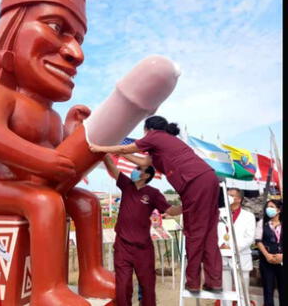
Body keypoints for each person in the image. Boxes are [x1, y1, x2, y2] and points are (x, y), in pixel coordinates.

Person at [90, 115, 223, 292]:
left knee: (195, 232)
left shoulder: (155, 136)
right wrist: (118, 153)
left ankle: (193, 282)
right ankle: (214, 281)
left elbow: (127, 147)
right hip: (208, 179)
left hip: (194, 182)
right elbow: (144, 161)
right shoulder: (164, 144)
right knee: (208, 231)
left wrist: (99, 148)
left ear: (148, 129)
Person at [103, 154, 181, 305]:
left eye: (138, 168)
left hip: (143, 248)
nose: (134, 170)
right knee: (123, 285)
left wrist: (187, 205)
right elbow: (113, 169)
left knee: (147, 286)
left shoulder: (153, 193)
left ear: (146, 175)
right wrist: (103, 152)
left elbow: (171, 210)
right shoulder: (126, 185)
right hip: (122, 246)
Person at [216, 188, 256, 306]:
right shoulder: (219, 212)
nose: (227, 197)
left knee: (242, 292)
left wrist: (233, 247)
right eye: (227, 195)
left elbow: (250, 238)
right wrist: (221, 246)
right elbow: (213, 232)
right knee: (225, 292)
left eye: (231, 195)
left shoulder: (248, 216)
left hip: (240, 257)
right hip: (223, 257)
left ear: (238, 199)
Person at [255, 199, 284, 306]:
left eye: (272, 207)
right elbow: (258, 241)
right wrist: (267, 255)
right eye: (268, 207)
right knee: (268, 291)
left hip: (282, 261)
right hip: (267, 262)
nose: (269, 209)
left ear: (279, 210)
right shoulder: (262, 223)